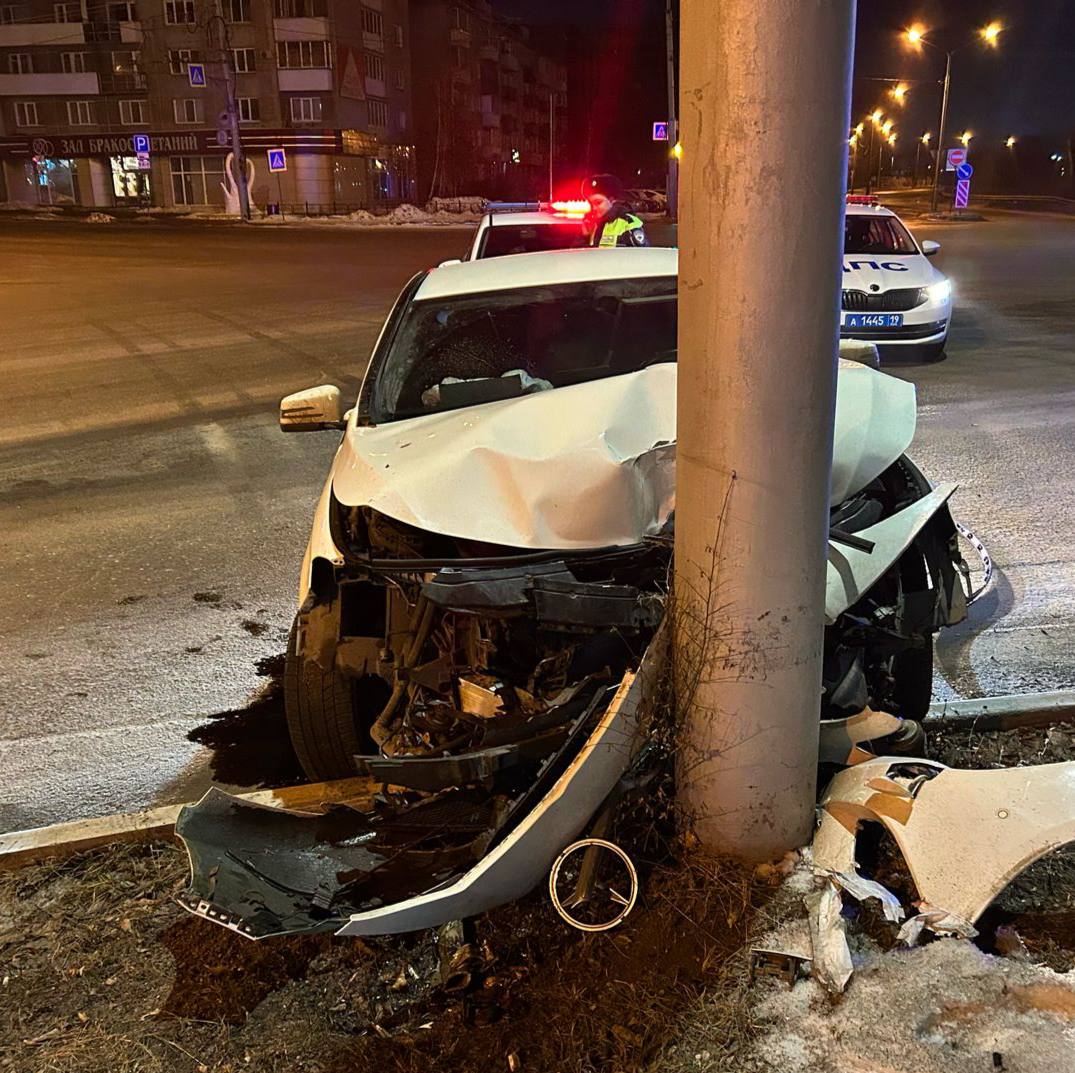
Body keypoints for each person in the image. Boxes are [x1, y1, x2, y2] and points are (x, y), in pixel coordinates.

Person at [582, 174, 649, 247]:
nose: (593, 208)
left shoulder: (629, 223)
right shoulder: (592, 224)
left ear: (612, 200)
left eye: (598, 203)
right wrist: (585, 237)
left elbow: (640, 255)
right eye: (590, 204)